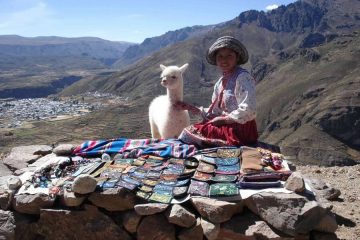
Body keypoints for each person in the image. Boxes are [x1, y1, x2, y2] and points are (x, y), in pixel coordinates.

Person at [176, 36, 258, 148]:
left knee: (189, 134)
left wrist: (225, 120)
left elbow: (249, 108)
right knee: (191, 131)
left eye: (229, 55)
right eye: (220, 56)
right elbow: (216, 111)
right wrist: (194, 109)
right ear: (216, 60)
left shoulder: (242, 77)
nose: (224, 60)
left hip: (241, 129)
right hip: (227, 125)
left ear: (237, 57)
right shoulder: (220, 83)